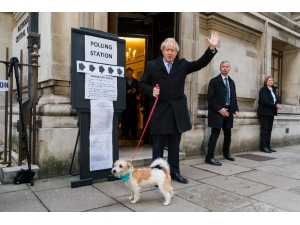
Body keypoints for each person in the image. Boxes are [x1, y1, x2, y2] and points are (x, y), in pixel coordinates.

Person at [139, 31, 220, 183]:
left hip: (177, 113)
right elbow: (141, 84)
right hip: (159, 112)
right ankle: (157, 176)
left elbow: (200, 63)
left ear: (176, 52)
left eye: (173, 50)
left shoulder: (182, 65)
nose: (170, 52)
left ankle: (174, 172)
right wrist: (151, 90)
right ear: (162, 51)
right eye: (167, 50)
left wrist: (211, 49)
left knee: (175, 145)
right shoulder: (152, 65)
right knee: (158, 147)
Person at [206, 60, 239, 166]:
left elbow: (234, 97)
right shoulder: (214, 81)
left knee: (228, 134)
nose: (225, 68)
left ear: (229, 68)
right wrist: (220, 109)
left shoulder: (232, 82)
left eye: (227, 66)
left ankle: (226, 153)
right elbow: (210, 98)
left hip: (228, 112)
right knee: (214, 134)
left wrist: (236, 109)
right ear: (220, 68)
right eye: (223, 66)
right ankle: (209, 157)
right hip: (217, 112)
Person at [257, 76, 282, 153]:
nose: (271, 81)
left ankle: (268, 145)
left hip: (271, 112)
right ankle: (263, 146)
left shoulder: (273, 90)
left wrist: (278, 103)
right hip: (264, 112)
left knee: (269, 129)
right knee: (264, 129)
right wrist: (275, 105)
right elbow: (264, 101)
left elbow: (276, 99)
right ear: (266, 82)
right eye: (269, 80)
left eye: (272, 80)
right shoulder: (263, 89)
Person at [121, 67, 139, 140]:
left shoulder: (136, 81)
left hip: (133, 104)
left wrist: (136, 90)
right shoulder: (122, 81)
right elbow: (120, 90)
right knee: (124, 120)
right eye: (128, 74)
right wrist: (126, 92)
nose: (129, 76)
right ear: (126, 74)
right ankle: (125, 134)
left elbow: (140, 90)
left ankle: (134, 135)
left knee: (134, 120)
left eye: (131, 74)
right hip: (125, 103)